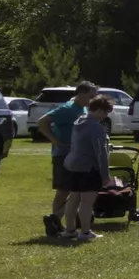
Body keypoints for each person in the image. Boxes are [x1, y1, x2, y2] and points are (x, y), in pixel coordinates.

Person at [36, 80, 98, 237]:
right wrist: (56, 141)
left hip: (76, 156)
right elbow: (43, 122)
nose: (93, 99)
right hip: (63, 155)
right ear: (82, 94)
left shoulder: (83, 108)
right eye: (91, 96)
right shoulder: (67, 108)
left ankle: (58, 220)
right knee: (63, 191)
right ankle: (55, 222)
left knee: (75, 190)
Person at [59, 95, 115, 241]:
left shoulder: (79, 121)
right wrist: (105, 175)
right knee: (86, 202)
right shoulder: (96, 127)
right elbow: (100, 153)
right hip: (88, 168)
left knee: (73, 199)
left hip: (72, 165)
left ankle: (70, 229)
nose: (106, 116)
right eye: (106, 112)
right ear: (100, 110)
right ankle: (85, 232)